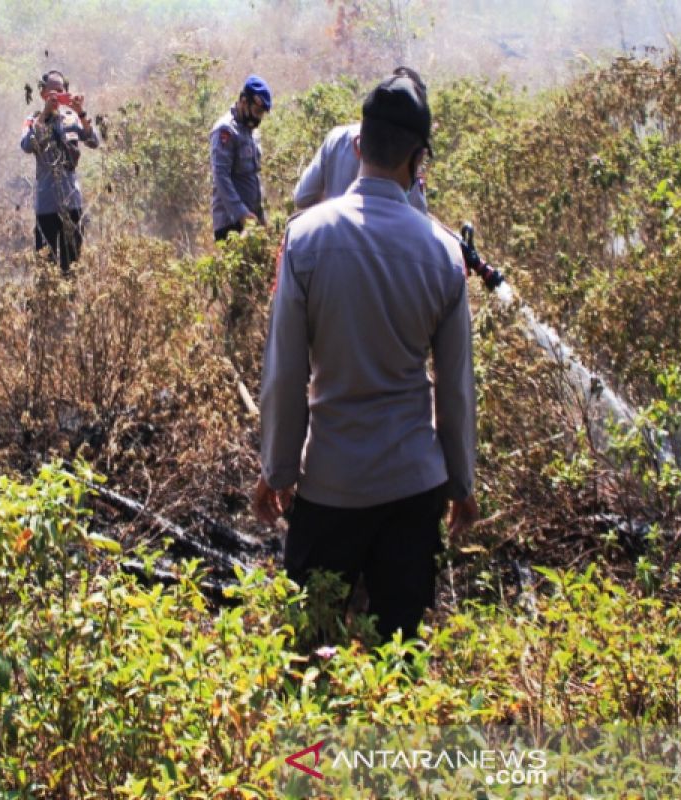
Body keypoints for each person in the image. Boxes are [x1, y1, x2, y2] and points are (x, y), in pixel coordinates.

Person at [253, 74, 479, 643]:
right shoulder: (445, 254)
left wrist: (277, 472)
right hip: (413, 491)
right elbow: (453, 389)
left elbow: (284, 374)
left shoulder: (304, 239)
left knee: (308, 656)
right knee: (396, 664)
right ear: (419, 159)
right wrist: (462, 483)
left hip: (331, 486)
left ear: (357, 146)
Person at [293, 67, 429, 214]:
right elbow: (419, 212)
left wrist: (331, 212)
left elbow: (302, 197)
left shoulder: (337, 138)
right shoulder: (407, 152)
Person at [20, 69, 100, 273]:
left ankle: (71, 304)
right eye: (53, 91)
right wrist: (45, 114)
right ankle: (48, 304)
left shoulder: (72, 117)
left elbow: (93, 141)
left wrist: (81, 113)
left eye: (61, 90)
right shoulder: (33, 120)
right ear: (42, 94)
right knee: (45, 268)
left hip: (72, 203)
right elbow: (27, 145)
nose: (58, 94)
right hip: (46, 206)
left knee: (71, 267)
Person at [210, 74, 271, 241]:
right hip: (231, 224)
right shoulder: (226, 130)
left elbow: (254, 177)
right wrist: (241, 214)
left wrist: (261, 219)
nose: (258, 118)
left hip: (252, 222)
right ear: (244, 102)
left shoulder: (252, 133)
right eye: (257, 112)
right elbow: (221, 176)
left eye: (261, 114)